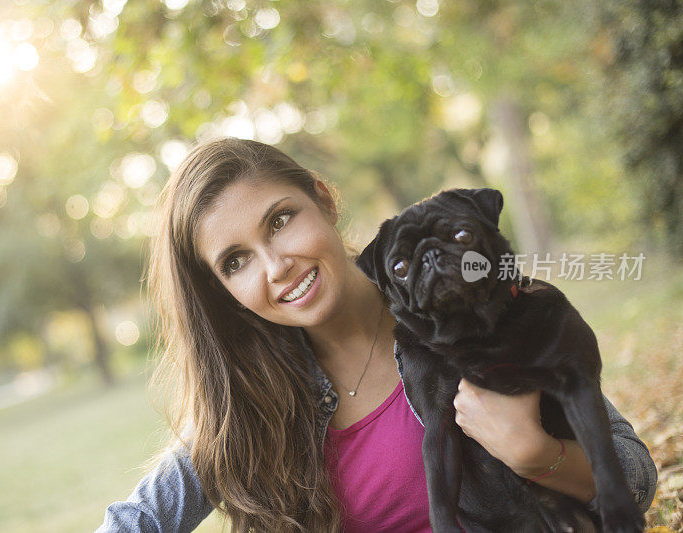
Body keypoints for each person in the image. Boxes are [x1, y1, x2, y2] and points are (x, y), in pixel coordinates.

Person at [97, 137, 656, 532]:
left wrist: (538, 455)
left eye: (279, 220)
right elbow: (138, 521)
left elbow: (634, 476)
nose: (276, 266)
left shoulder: (470, 304)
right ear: (224, 291)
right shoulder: (246, 408)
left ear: (323, 198)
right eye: (237, 261)